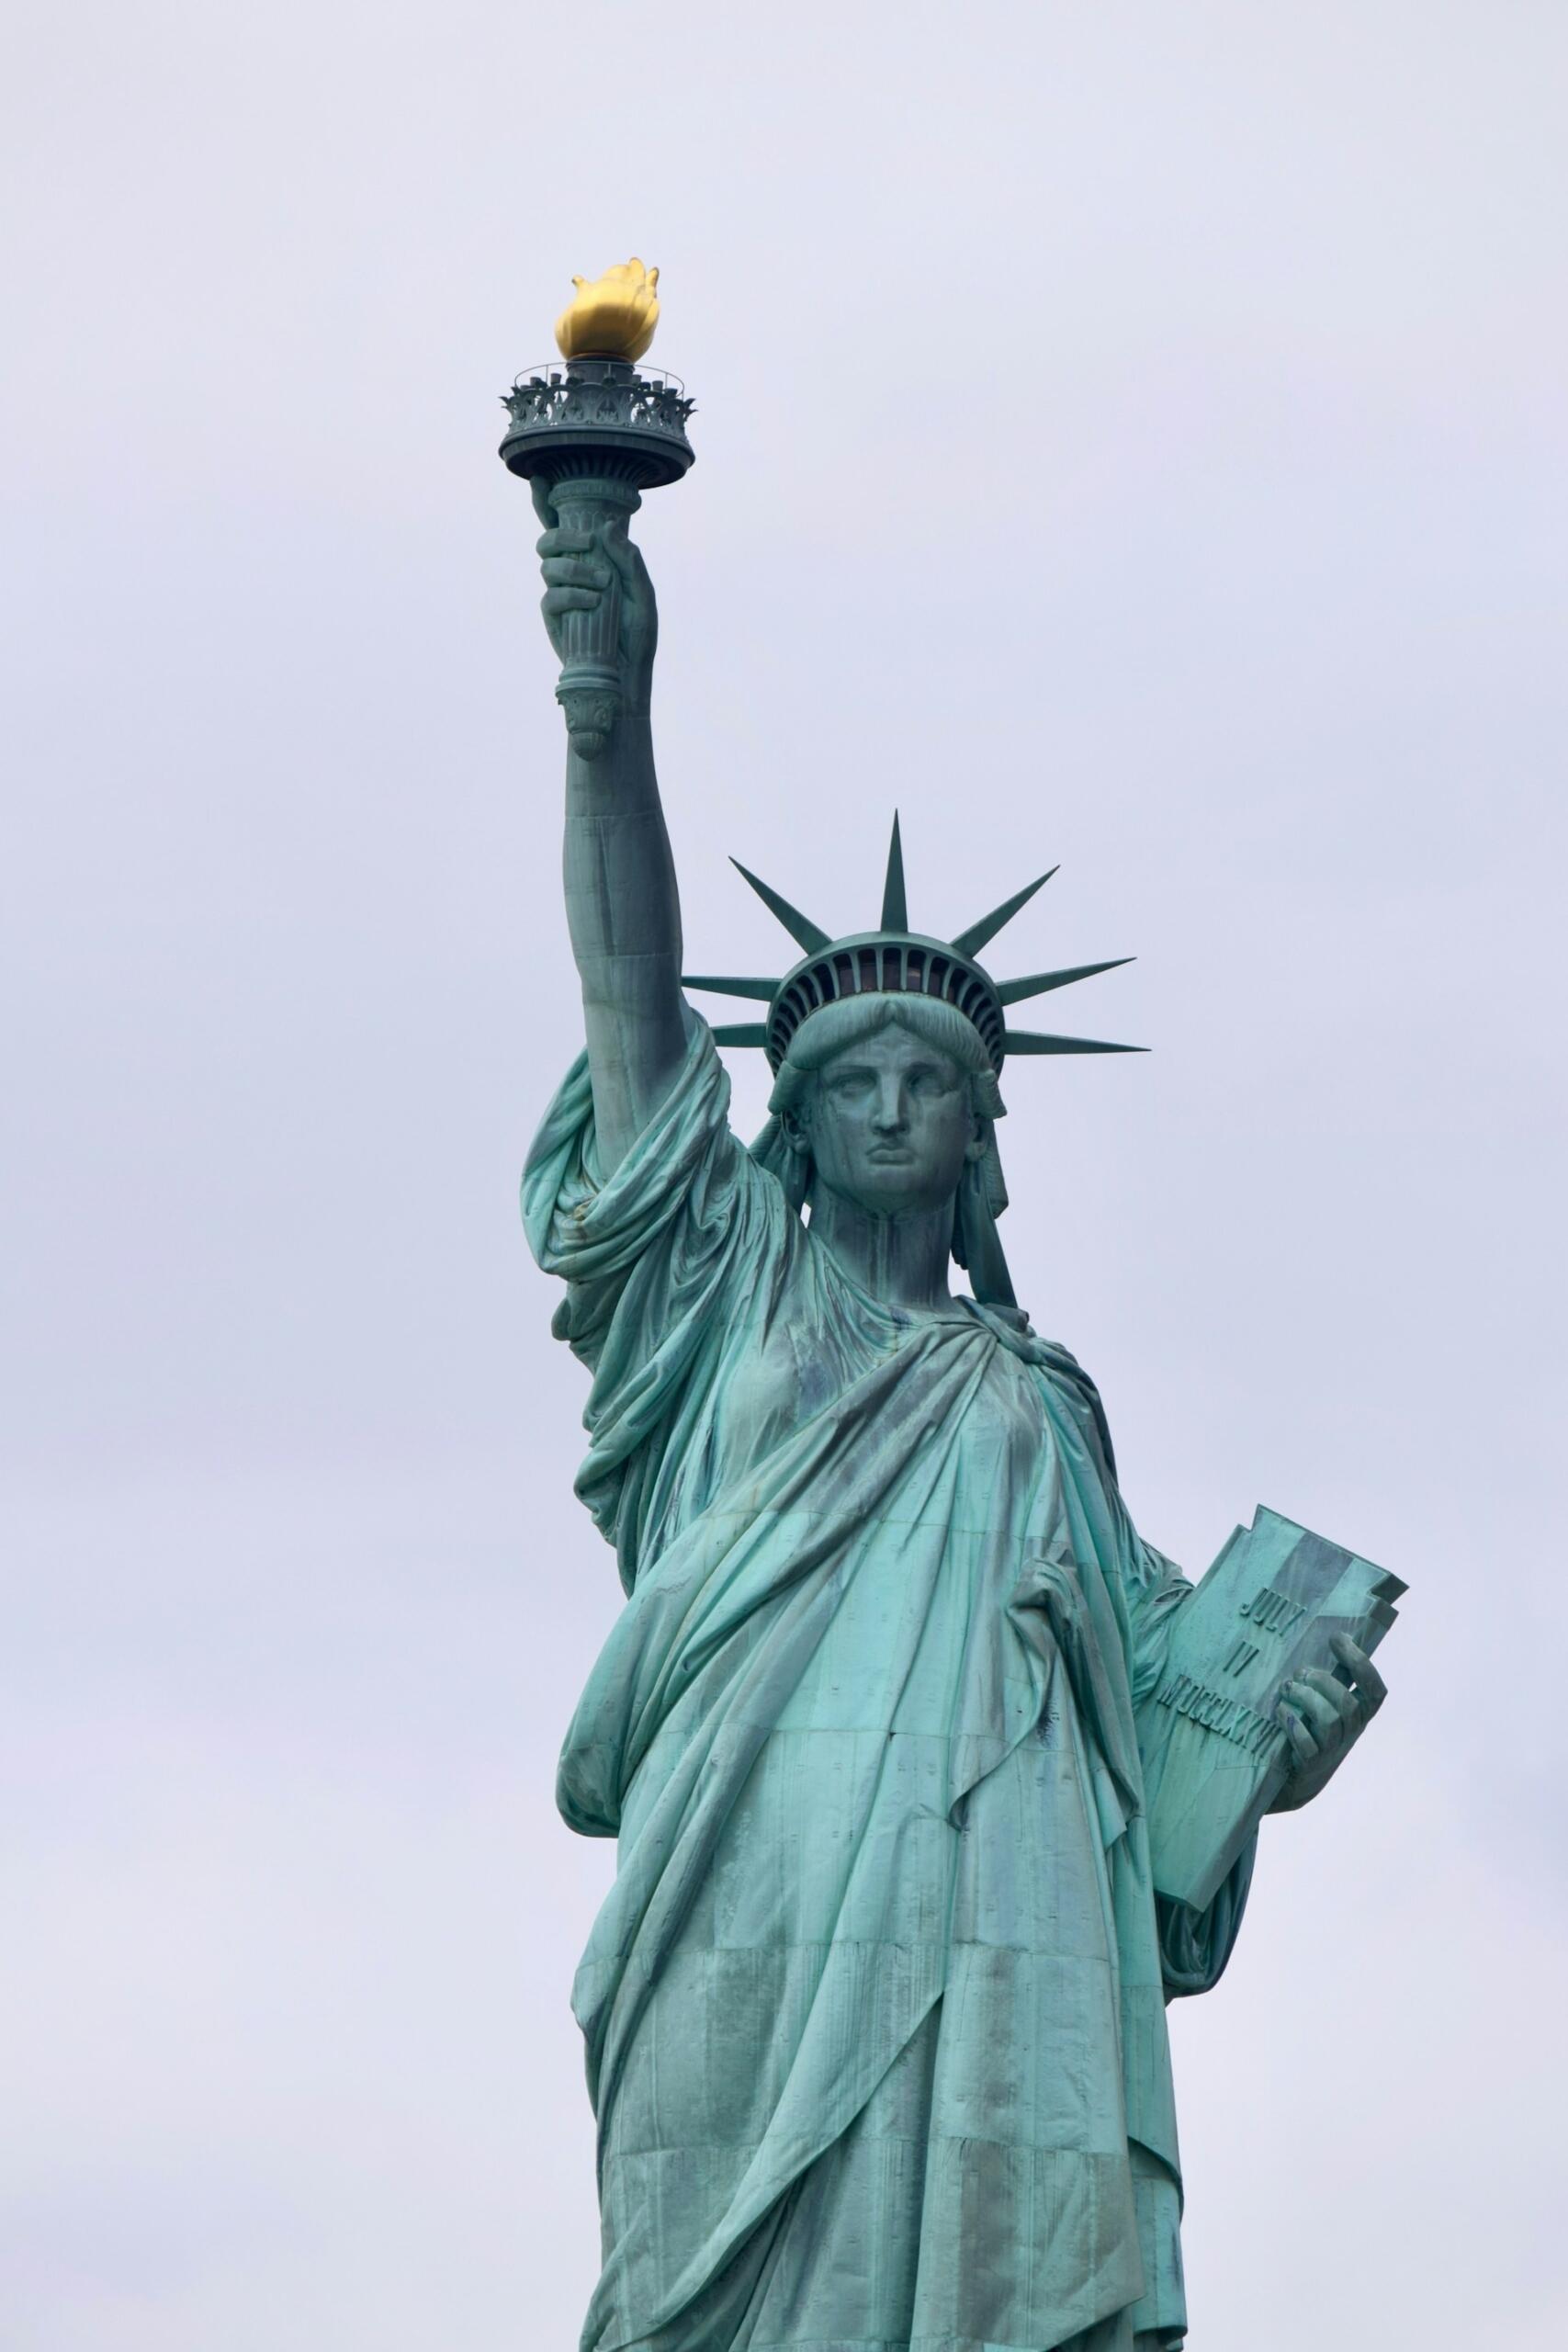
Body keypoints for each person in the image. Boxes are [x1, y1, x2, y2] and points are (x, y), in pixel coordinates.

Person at [520, 490, 1383, 2352]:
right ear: (792, 1122)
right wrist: (606, 709)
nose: (896, 1104)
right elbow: (626, 1002)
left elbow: (1152, 1701)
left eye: (934, 1080)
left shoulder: (1036, 1398)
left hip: (1008, 1920)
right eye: (855, 1079)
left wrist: (1276, 1733)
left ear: (982, 1134)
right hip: (742, 1867)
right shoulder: (720, 1290)